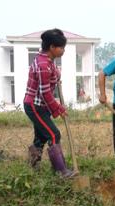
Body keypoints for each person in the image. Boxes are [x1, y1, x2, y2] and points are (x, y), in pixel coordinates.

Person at [24, 28, 75, 177]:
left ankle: (32, 167)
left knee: (40, 137)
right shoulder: (43, 65)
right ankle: (61, 171)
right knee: (53, 135)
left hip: (42, 105)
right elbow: (45, 93)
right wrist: (58, 108)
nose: (63, 50)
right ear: (52, 47)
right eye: (61, 47)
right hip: (35, 105)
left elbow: (51, 84)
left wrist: (57, 76)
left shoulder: (49, 61)